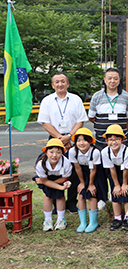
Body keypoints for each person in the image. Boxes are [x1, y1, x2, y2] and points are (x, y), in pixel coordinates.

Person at [37, 73, 88, 213]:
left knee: (74, 172)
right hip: (55, 139)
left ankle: (71, 202)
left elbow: (81, 120)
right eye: (57, 82)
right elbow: (45, 123)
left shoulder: (76, 99)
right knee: (53, 171)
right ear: (53, 85)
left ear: (68, 84)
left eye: (63, 81)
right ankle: (55, 203)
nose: (60, 84)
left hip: (73, 139)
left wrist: (69, 136)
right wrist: (61, 138)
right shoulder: (47, 101)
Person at [101, 124, 128, 232]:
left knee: (126, 191)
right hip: (115, 170)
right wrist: (117, 185)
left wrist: (124, 184)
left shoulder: (127, 152)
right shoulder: (105, 152)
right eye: (110, 140)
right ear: (106, 141)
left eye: (116, 139)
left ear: (122, 139)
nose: (113, 142)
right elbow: (111, 169)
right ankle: (117, 218)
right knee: (115, 191)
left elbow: (126, 170)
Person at [88, 68, 128, 150]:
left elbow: (127, 118)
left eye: (115, 78)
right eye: (109, 78)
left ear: (119, 80)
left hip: (120, 141)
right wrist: (102, 123)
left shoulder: (126, 97)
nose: (112, 81)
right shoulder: (96, 96)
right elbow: (91, 117)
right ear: (105, 80)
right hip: (101, 141)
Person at [68, 128, 102, 233]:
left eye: (84, 140)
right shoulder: (72, 151)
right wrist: (82, 182)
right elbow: (77, 167)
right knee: (81, 195)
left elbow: (94, 169)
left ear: (90, 142)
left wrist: (91, 184)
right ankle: (83, 222)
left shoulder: (95, 152)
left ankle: (93, 222)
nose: (81, 143)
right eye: (78, 140)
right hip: (81, 173)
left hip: (94, 174)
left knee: (92, 194)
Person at [34, 138, 73, 231]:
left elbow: (65, 178)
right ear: (46, 152)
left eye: (58, 152)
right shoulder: (41, 164)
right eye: (51, 152)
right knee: (48, 195)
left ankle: (61, 219)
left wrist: (57, 186)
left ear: (62, 153)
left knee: (60, 195)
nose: (54, 155)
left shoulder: (66, 163)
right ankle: (47, 220)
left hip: (59, 179)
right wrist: (50, 184)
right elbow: (44, 180)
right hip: (46, 179)